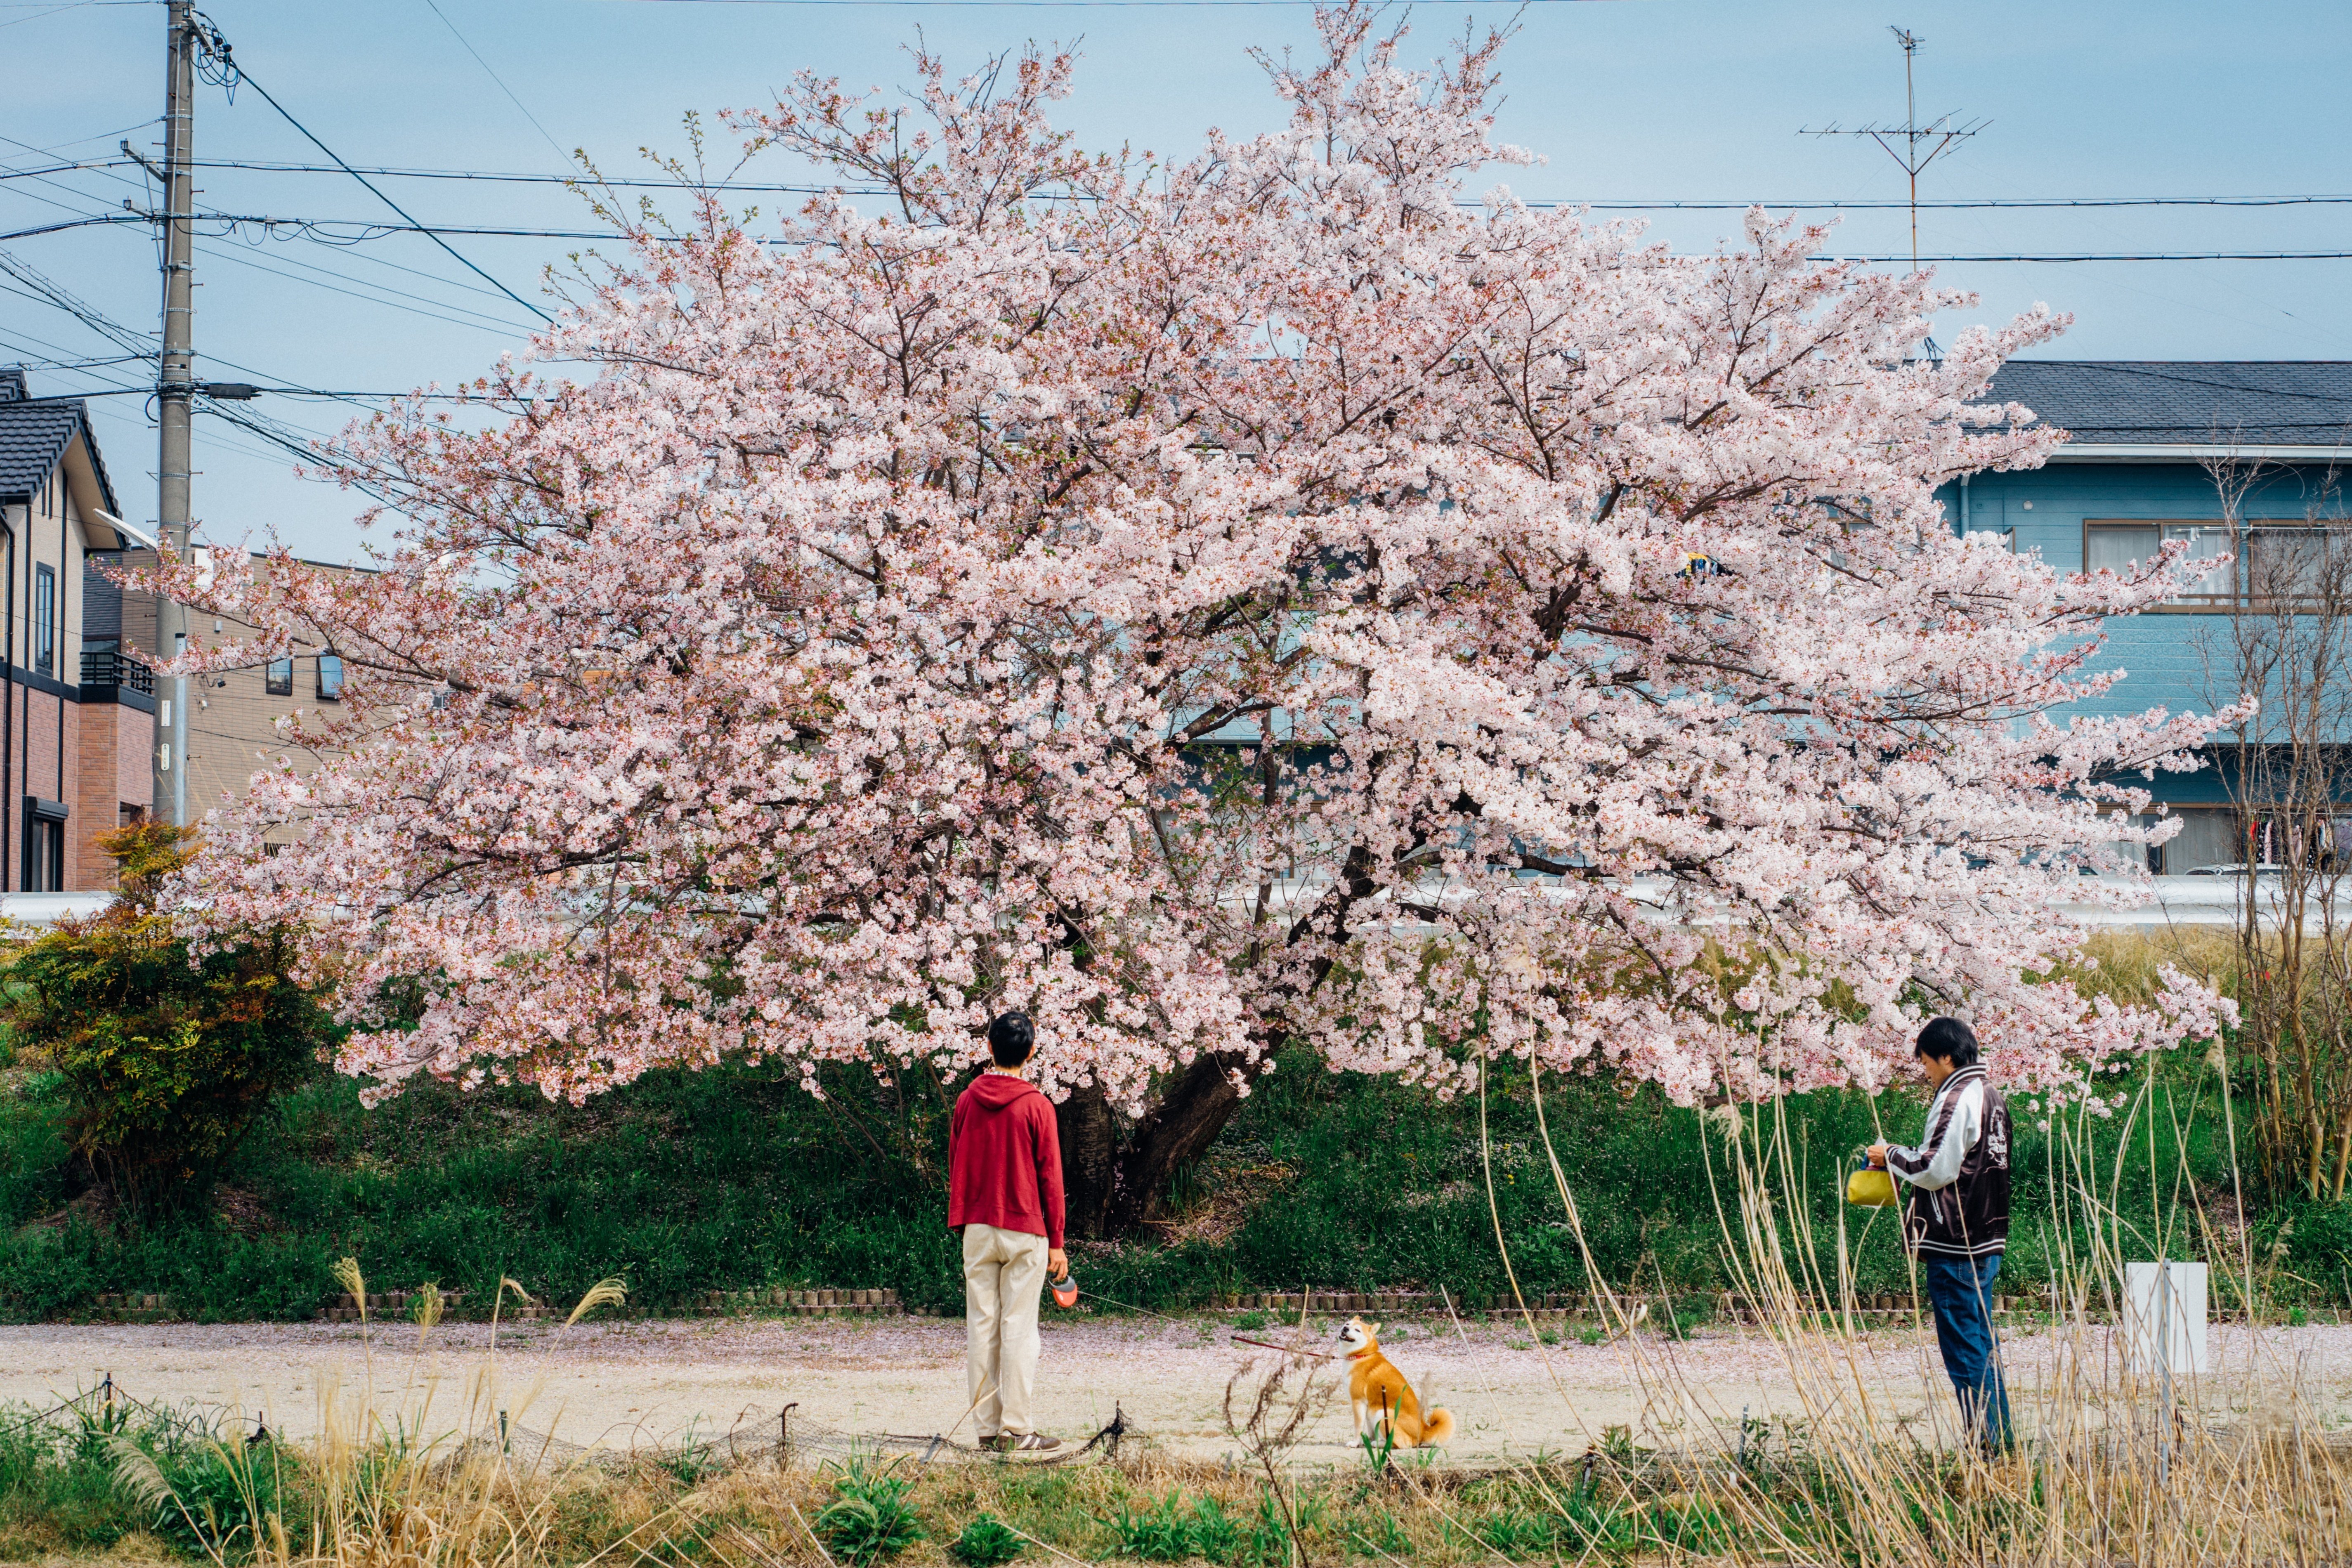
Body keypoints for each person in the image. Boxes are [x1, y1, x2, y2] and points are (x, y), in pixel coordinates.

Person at [1868, 1016, 2014, 1453]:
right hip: (1987, 1235)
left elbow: (1936, 1167)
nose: (1925, 1070)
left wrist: (1888, 1153)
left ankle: (1987, 1445)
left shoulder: (1956, 1096)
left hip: (1956, 1239)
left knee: (1965, 1347)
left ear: (1947, 1056)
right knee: (1982, 1342)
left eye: (1927, 1062)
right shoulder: (1993, 1095)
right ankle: (1999, 1441)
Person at [947, 1011, 1069, 1453]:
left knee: (982, 1326)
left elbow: (955, 1158)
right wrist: (1057, 1241)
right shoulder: (1037, 1105)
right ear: (1031, 1051)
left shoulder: (966, 1100)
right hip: (1025, 1228)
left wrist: (964, 1212)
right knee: (1020, 1327)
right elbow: (1051, 1177)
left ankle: (985, 1428)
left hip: (978, 1226)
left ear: (989, 1048)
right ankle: (1019, 1429)